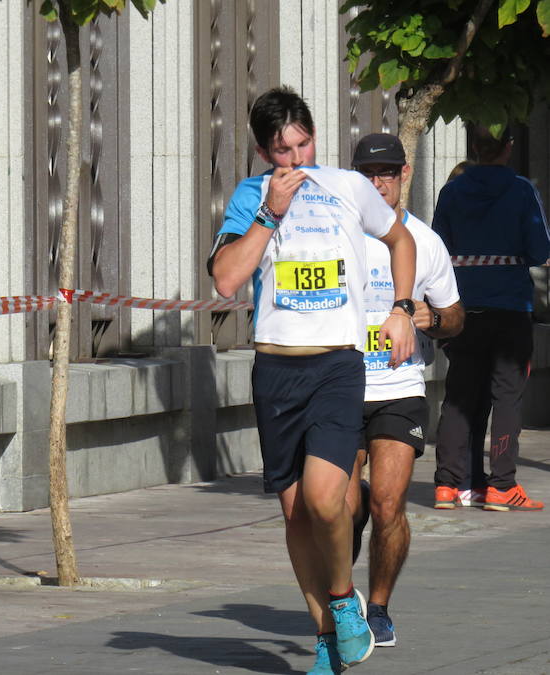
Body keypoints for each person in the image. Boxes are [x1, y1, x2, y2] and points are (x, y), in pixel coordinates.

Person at [209, 87, 416, 675]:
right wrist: (269, 214)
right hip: (276, 367)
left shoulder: (349, 188)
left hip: (336, 365)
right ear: (261, 150)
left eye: (303, 145)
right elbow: (226, 280)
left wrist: (401, 306)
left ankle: (345, 599)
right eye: (282, 152)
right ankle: (326, 636)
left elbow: (398, 237)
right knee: (297, 510)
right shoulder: (251, 197)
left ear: (315, 138)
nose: (295, 161)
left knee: (329, 497)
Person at [344, 133, 464, 648]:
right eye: (369, 176)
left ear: (403, 175)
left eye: (387, 174)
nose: (379, 184)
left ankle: (378, 607)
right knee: (343, 509)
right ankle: (340, 600)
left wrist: (429, 317)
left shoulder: (425, 241)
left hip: (399, 386)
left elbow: (456, 318)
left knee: (388, 507)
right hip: (340, 387)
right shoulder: (338, 232)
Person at [432, 125, 550, 512]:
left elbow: (438, 249)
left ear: (475, 148)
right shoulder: (520, 190)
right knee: (508, 396)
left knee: (459, 395)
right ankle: (501, 486)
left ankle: (447, 486)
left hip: (463, 308)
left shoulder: (451, 191)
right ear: (509, 147)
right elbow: (538, 250)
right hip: (510, 308)